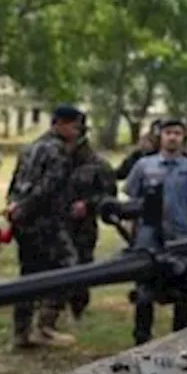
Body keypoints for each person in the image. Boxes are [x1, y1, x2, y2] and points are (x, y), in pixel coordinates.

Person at [124, 118, 187, 344]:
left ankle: (180, 335)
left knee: (183, 284)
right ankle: (142, 336)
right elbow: (131, 199)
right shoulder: (144, 165)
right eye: (168, 132)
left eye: (177, 133)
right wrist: (132, 232)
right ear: (161, 136)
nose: (172, 137)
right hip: (148, 234)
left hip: (181, 234)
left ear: (183, 138)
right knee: (145, 284)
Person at [5, 104, 83, 349]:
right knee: (69, 268)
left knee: (28, 274)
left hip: (23, 221)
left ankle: (21, 332)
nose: (77, 132)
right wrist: (27, 207)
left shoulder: (30, 147)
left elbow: (15, 182)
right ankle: (45, 326)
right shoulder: (57, 150)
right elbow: (48, 187)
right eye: (75, 126)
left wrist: (14, 208)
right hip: (46, 221)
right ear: (62, 124)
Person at [66, 115, 118, 320]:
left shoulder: (98, 165)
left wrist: (88, 205)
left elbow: (109, 197)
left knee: (82, 265)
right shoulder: (55, 159)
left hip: (82, 226)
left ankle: (77, 307)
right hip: (54, 223)